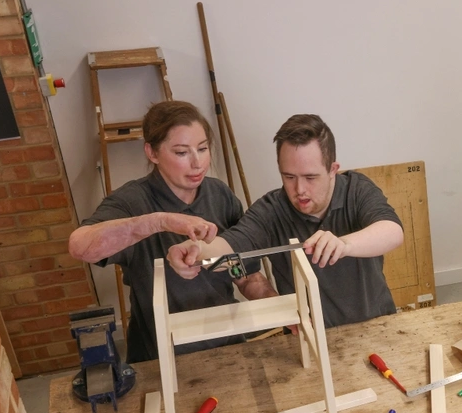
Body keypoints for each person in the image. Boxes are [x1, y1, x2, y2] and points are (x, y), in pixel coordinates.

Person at [68, 100, 271, 363]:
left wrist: (280, 307)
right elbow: (79, 246)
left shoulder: (220, 195)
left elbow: (240, 273)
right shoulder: (132, 201)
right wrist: (159, 222)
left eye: (203, 148)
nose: (197, 163)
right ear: (152, 153)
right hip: (161, 355)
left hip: (226, 344)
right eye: (181, 153)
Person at [166, 114, 404, 327]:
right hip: (310, 337)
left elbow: (392, 231)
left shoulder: (357, 190)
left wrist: (344, 245)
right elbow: (230, 247)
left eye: (310, 177)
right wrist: (195, 250)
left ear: (333, 169)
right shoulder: (271, 211)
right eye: (289, 177)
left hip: (378, 325)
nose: (299, 189)